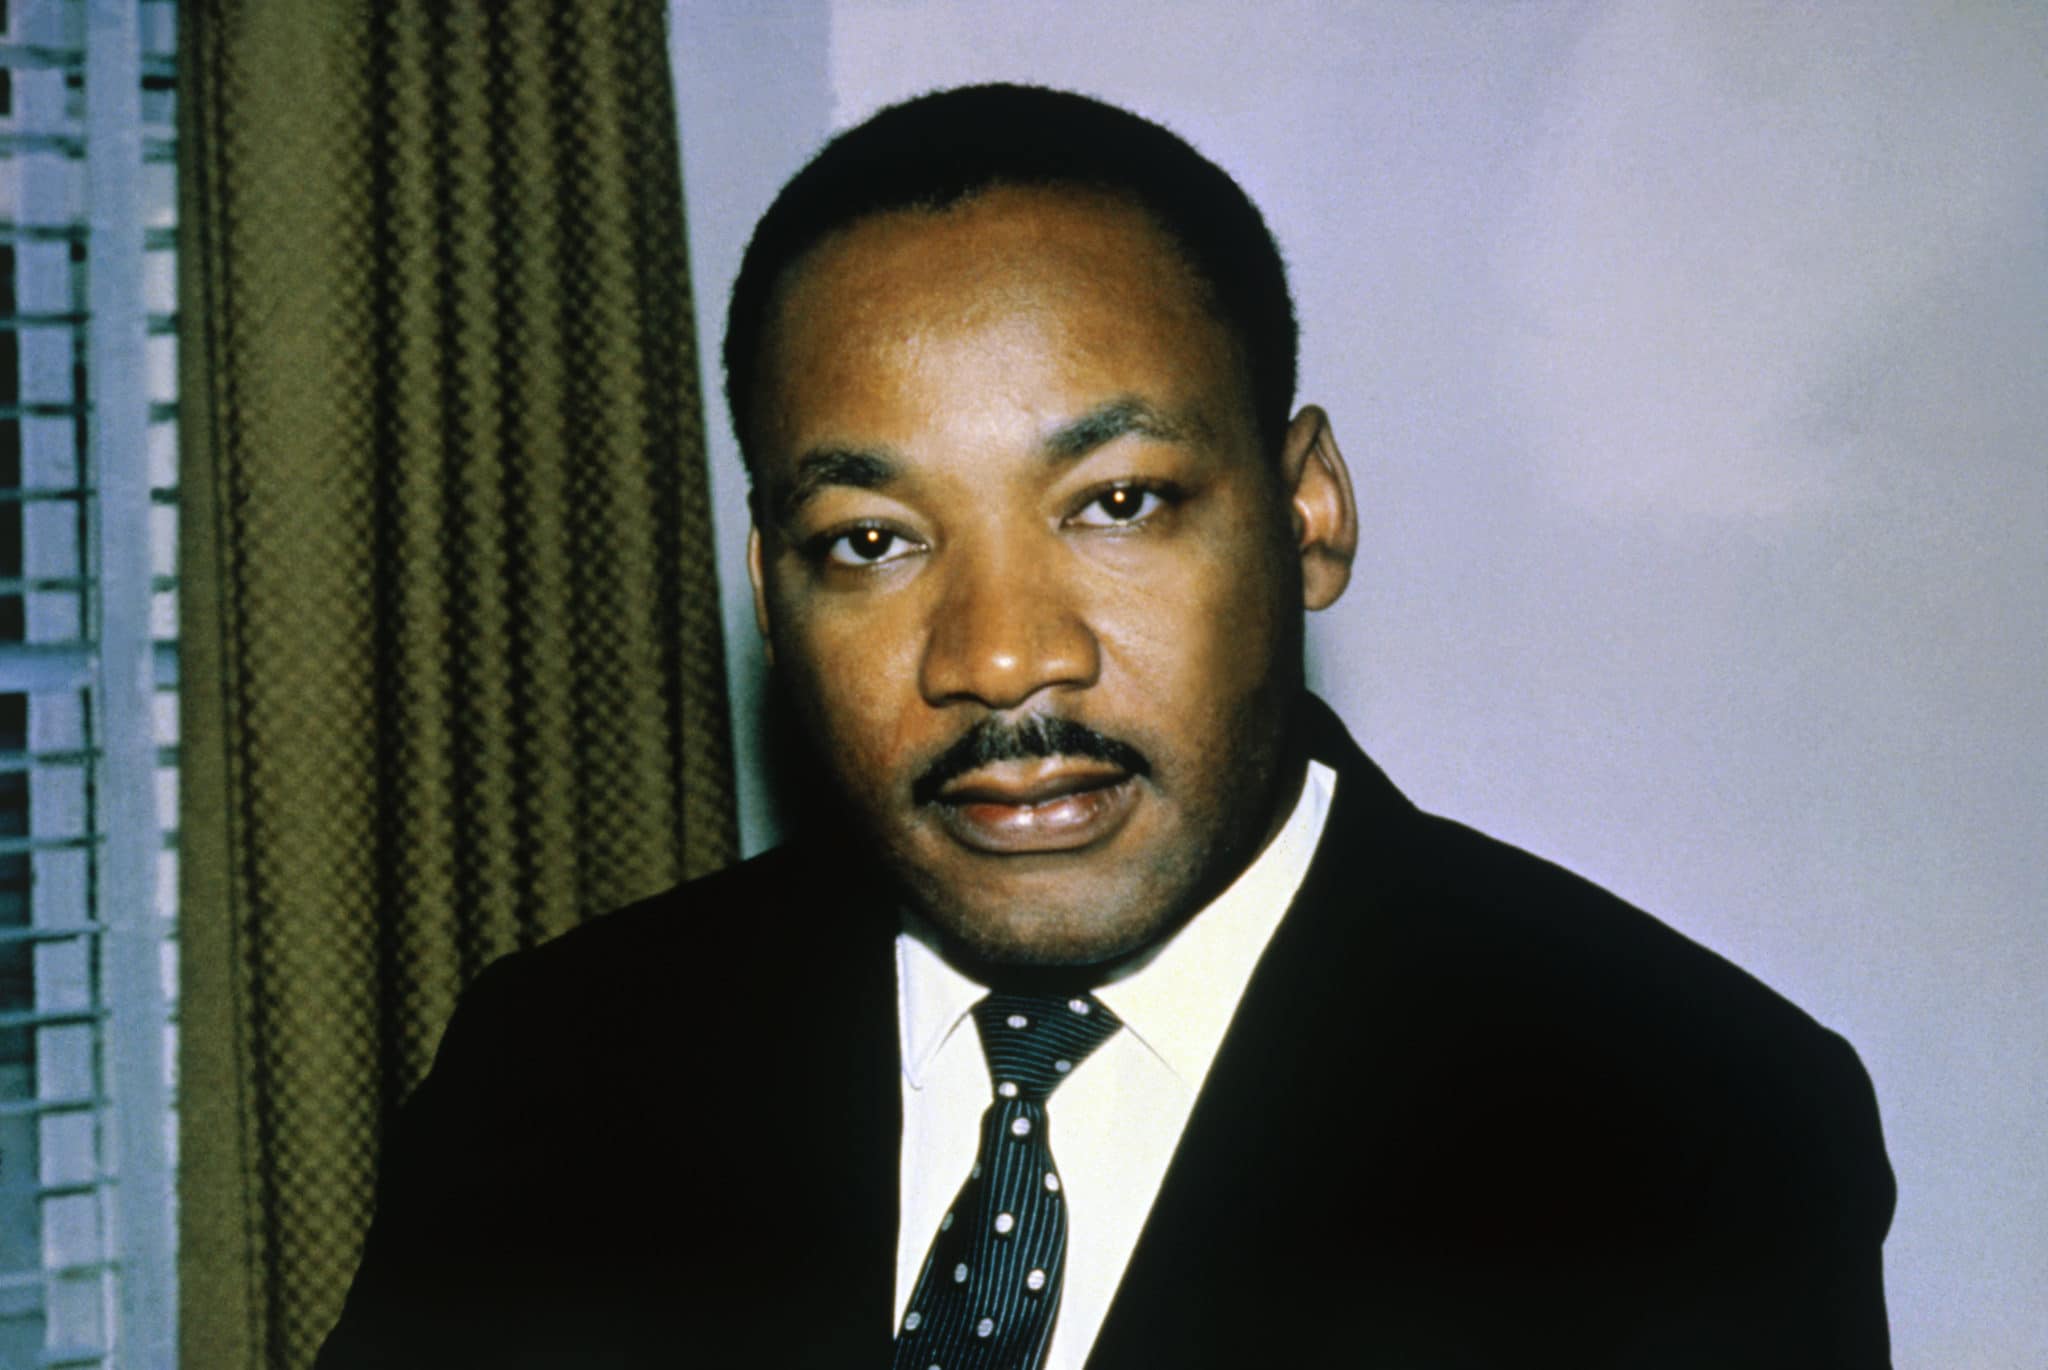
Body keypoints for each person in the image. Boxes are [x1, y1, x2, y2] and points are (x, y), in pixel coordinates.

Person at [317, 84, 1894, 1369]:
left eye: (1117, 503)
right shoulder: (561, 1064)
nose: (1003, 656)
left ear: (1307, 515)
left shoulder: (1687, 1137)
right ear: (771, 589)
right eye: (873, 538)